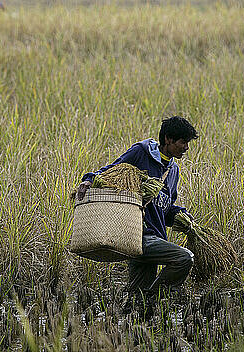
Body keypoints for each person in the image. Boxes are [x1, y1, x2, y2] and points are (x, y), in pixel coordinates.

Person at [77, 116, 198, 307]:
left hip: (156, 238)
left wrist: (180, 216)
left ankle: (125, 325)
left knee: (136, 303)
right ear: (168, 139)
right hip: (137, 235)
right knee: (184, 258)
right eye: (183, 142)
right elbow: (112, 170)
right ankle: (153, 299)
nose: (186, 148)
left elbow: (165, 209)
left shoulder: (173, 170)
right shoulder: (141, 152)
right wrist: (89, 180)